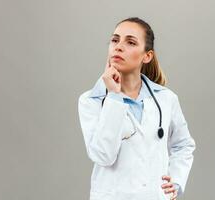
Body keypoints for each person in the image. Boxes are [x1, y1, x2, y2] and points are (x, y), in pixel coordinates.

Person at [77, 17, 196, 200]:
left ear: (147, 56)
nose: (118, 46)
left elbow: (183, 145)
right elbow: (103, 156)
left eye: (130, 42)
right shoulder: (91, 100)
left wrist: (176, 180)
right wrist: (114, 97)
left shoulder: (166, 99)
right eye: (115, 40)